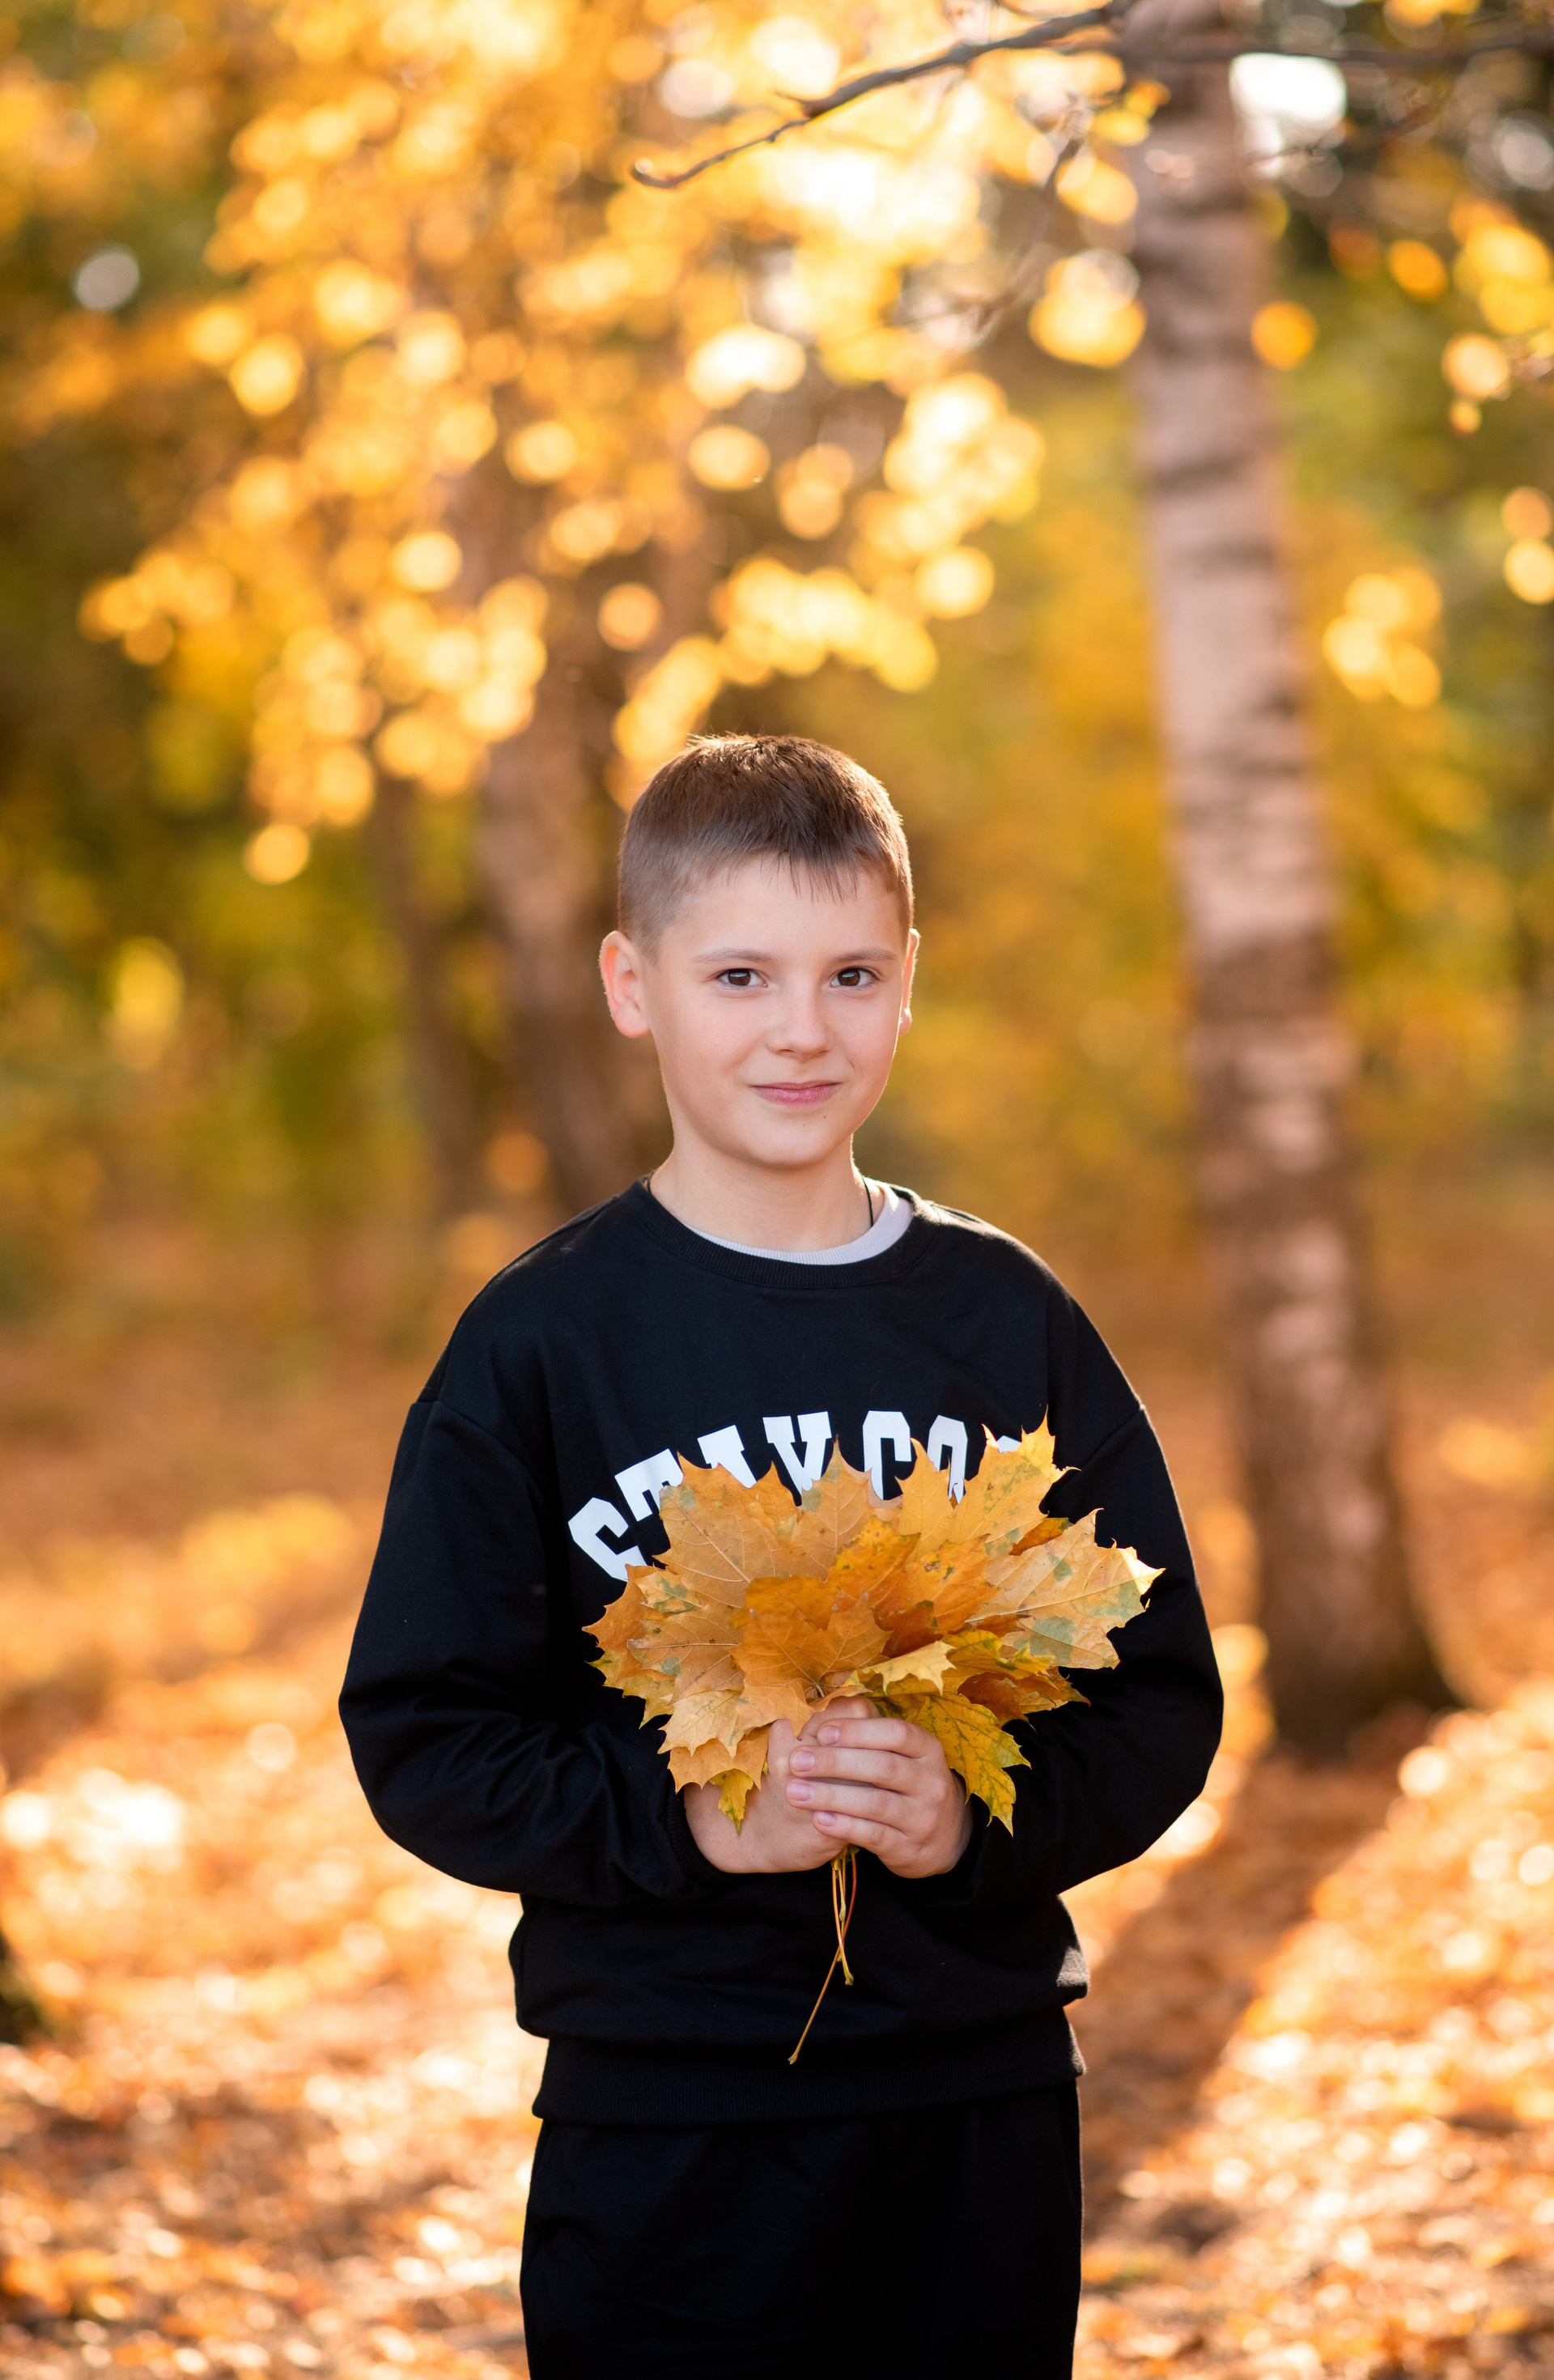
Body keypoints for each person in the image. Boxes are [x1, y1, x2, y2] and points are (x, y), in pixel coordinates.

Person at [339, 734, 1221, 2380]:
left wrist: (975, 1821)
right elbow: (426, 1733)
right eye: (740, 975)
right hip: (668, 2117)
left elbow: (1160, 1697)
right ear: (633, 984)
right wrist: (689, 1825)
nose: (801, 1028)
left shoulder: (1006, 1320)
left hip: (979, 2098)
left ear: (907, 986)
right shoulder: (543, 1344)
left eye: (850, 976)